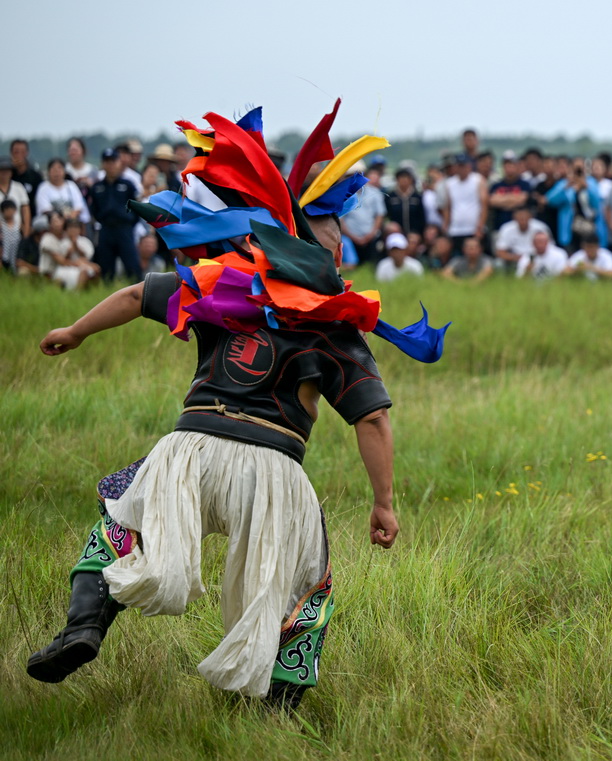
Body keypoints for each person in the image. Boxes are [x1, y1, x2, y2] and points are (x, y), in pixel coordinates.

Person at [26, 102, 448, 711]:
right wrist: (383, 502)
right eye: (337, 232)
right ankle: (276, 704)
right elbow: (372, 418)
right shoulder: (336, 323)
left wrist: (75, 331)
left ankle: (83, 627)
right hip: (276, 473)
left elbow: (133, 292)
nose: (345, 241)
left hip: (189, 453)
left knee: (122, 511)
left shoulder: (227, 280)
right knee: (310, 578)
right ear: (316, 243)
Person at [88, 148, 141, 282]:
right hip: (106, 229)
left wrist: (129, 224)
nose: (110, 165)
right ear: (103, 164)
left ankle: (138, 294)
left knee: (132, 267)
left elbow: (136, 208)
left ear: (119, 163)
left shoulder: (128, 185)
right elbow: (94, 210)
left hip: (124, 229)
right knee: (106, 268)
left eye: (113, 161)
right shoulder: (97, 187)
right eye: (107, 162)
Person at [39, 215, 100, 289]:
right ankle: (77, 293)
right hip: (63, 268)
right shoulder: (60, 242)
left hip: (80, 265)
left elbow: (86, 256)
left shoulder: (85, 241)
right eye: (70, 228)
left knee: (95, 269)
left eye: (75, 228)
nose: (73, 230)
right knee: (83, 272)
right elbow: (62, 260)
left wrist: (76, 246)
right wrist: (73, 257)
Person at [442, 155, 487, 254]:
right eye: (459, 166)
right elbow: (448, 207)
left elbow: (483, 205)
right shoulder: (450, 183)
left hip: (473, 228)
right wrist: (446, 225)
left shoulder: (478, 180)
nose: (461, 169)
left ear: (469, 166)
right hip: (456, 228)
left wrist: (480, 226)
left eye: (464, 166)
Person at [494, 203, 550, 270]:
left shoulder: (540, 227)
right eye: (520, 218)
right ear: (514, 218)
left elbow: (550, 247)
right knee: (498, 263)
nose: (523, 221)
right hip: (515, 259)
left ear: (530, 217)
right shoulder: (506, 229)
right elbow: (500, 252)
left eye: (525, 218)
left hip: (537, 257)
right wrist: (518, 258)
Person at [385, 168, 426, 237]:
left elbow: (421, 216)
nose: (404, 180)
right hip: (395, 235)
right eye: (401, 178)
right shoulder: (390, 197)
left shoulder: (417, 197)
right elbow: (386, 216)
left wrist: (419, 233)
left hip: (414, 234)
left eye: (406, 178)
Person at [0, 156, 31, 238]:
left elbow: (25, 210)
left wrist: (26, 230)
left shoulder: (18, 187)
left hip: (17, 230)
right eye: (2, 170)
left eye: (7, 170)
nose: (4, 173)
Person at [1, 198, 21, 270]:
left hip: (16, 251)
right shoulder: (1, 225)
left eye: (11, 209)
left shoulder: (19, 226)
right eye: (7, 210)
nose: (9, 212)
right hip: (4, 251)